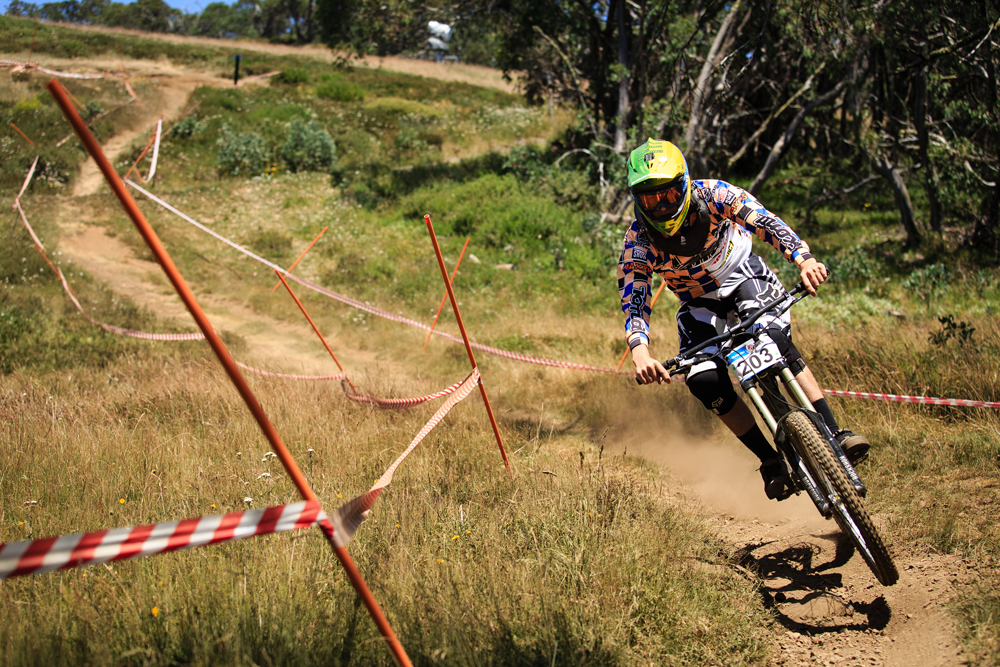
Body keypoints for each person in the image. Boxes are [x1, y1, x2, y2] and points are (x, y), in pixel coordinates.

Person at [618, 139, 869, 500]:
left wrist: (804, 259)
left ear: (685, 184)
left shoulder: (716, 195)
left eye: (669, 195)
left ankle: (835, 432)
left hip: (744, 276)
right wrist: (640, 351)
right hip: (698, 303)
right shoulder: (638, 241)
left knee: (772, 337)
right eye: (650, 199)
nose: (661, 206)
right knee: (703, 379)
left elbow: (765, 221)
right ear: (636, 200)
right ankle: (770, 461)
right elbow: (635, 299)